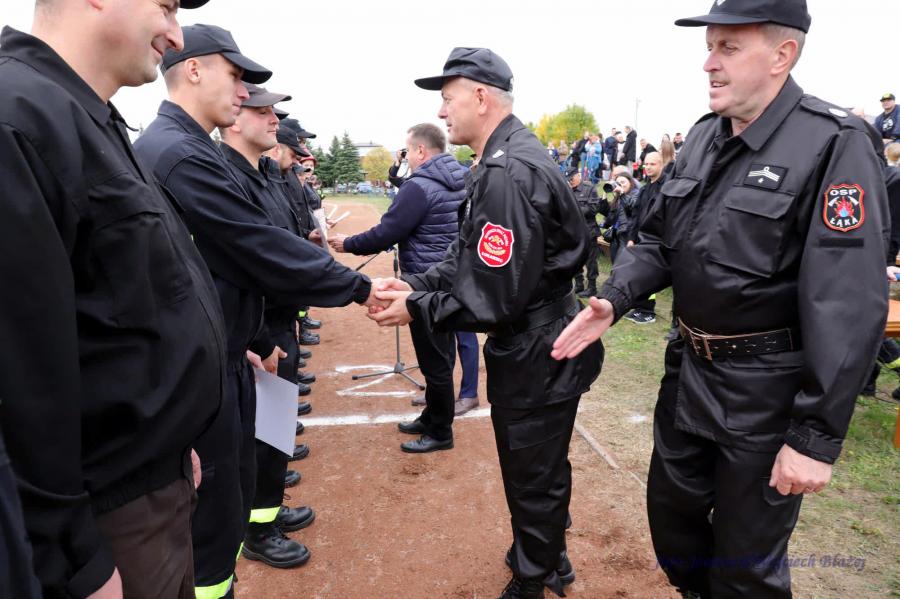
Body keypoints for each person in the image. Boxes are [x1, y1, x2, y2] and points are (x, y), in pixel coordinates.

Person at [552, 1, 888, 597]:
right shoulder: (705, 135)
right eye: (709, 47)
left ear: (783, 54)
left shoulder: (834, 142)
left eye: (728, 47)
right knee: (674, 530)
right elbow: (660, 238)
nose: (709, 63)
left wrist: (813, 439)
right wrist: (616, 295)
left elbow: (847, 300)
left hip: (765, 392)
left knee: (745, 567)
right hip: (688, 372)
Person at [134, 24, 381, 598]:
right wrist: (361, 289)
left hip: (227, 349)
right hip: (200, 369)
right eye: (236, 76)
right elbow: (256, 244)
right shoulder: (178, 153)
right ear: (193, 69)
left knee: (232, 498)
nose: (245, 93)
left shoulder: (189, 148)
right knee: (214, 523)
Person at [0, 1, 225, 598]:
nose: (176, 36)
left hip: (149, 485)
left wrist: (167, 446)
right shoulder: (17, 116)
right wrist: (76, 560)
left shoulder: (86, 116)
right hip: (105, 526)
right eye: (166, 7)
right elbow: (20, 380)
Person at [368, 47, 604, 599]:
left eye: (447, 99)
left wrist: (417, 307)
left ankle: (533, 576)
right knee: (542, 464)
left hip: (535, 345)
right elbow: (467, 254)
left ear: (480, 97)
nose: (442, 112)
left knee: (531, 472)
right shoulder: (502, 159)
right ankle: (549, 556)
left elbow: (494, 299)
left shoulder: (506, 172)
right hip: (542, 338)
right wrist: (419, 285)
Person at [217, 85, 319, 569]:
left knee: (275, 434)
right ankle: (258, 531)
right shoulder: (228, 178)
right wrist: (260, 337)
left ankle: (269, 513)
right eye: (262, 111)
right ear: (235, 119)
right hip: (260, 330)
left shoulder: (262, 176)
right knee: (261, 436)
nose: (274, 119)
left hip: (278, 322)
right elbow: (249, 264)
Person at [330, 123, 471, 451]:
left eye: (408, 151)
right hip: (449, 277)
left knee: (434, 359)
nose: (406, 157)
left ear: (421, 150)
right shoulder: (462, 179)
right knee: (441, 353)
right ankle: (432, 416)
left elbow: (387, 232)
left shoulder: (418, 186)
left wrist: (347, 243)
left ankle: (440, 431)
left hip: (424, 281)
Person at [623, 152, 666, 325]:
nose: (648, 167)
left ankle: (648, 311)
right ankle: (640, 307)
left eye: (652, 164)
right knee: (640, 273)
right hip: (640, 238)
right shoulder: (645, 189)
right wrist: (631, 238)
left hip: (657, 239)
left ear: (661, 165)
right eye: (646, 164)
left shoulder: (667, 187)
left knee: (649, 274)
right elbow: (635, 215)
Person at [567, 167, 608, 298]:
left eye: (571, 178)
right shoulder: (567, 190)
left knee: (590, 261)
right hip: (573, 231)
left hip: (589, 230)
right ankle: (579, 284)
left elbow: (593, 209)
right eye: (568, 179)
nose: (570, 181)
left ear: (578, 176)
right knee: (575, 259)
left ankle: (592, 287)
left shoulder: (589, 189)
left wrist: (574, 209)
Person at [601, 172, 640, 262]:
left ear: (630, 182)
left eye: (623, 182)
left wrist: (622, 193)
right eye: (618, 183)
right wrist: (605, 194)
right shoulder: (618, 197)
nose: (620, 185)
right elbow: (608, 215)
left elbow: (633, 206)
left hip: (628, 236)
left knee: (622, 264)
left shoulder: (636, 194)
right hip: (616, 236)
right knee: (615, 263)